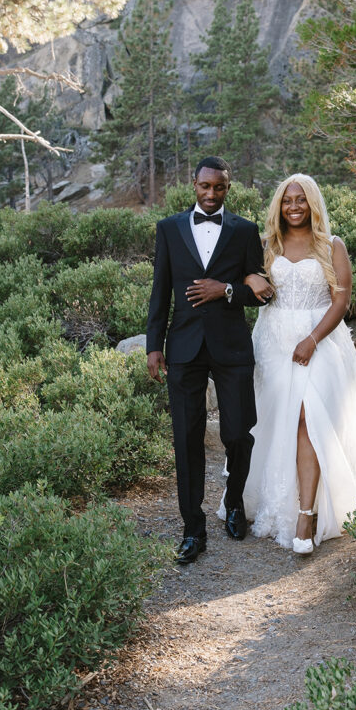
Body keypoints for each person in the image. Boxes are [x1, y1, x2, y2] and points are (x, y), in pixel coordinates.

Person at [236, 174, 356, 554]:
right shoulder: (266, 245)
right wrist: (249, 277)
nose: (294, 206)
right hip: (273, 341)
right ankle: (280, 500)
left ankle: (306, 515)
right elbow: (240, 274)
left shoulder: (331, 245)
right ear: (279, 205)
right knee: (278, 420)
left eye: (301, 200)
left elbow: (341, 301)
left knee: (307, 416)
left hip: (319, 340)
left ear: (312, 204)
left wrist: (312, 339)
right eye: (287, 200)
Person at [146, 157, 271, 565]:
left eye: (219, 187)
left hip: (232, 347)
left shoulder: (244, 231)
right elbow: (160, 291)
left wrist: (227, 290)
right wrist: (153, 344)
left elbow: (260, 292)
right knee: (186, 438)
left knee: (238, 433)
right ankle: (192, 529)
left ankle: (234, 501)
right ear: (194, 185)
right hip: (183, 347)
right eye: (205, 186)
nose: (211, 194)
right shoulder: (169, 229)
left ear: (228, 188)